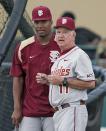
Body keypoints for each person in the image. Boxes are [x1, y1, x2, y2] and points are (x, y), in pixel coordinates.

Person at [36, 17, 96, 131]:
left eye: (65, 32)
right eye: (58, 32)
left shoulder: (79, 55)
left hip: (72, 109)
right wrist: (48, 81)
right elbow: (62, 84)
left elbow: (90, 84)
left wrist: (62, 80)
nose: (61, 35)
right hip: (60, 113)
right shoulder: (59, 59)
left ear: (73, 35)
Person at [10, 6, 60, 131]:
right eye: (37, 22)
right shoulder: (23, 46)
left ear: (51, 22)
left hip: (56, 111)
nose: (40, 25)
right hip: (30, 111)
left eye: (44, 21)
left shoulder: (62, 44)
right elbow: (18, 78)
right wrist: (17, 109)